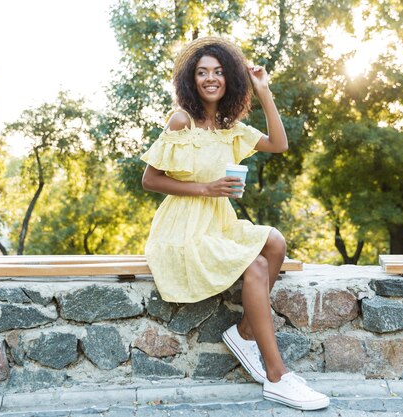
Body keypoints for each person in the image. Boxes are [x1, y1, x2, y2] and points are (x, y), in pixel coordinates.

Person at [140, 36, 329, 411]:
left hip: (218, 223)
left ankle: (244, 333)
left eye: (219, 71)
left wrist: (264, 91)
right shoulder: (182, 121)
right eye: (202, 72)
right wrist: (206, 187)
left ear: (230, 80)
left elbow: (279, 144)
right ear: (190, 80)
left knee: (274, 241)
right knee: (257, 265)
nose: (210, 78)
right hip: (182, 228)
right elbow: (149, 179)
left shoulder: (231, 127)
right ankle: (277, 377)